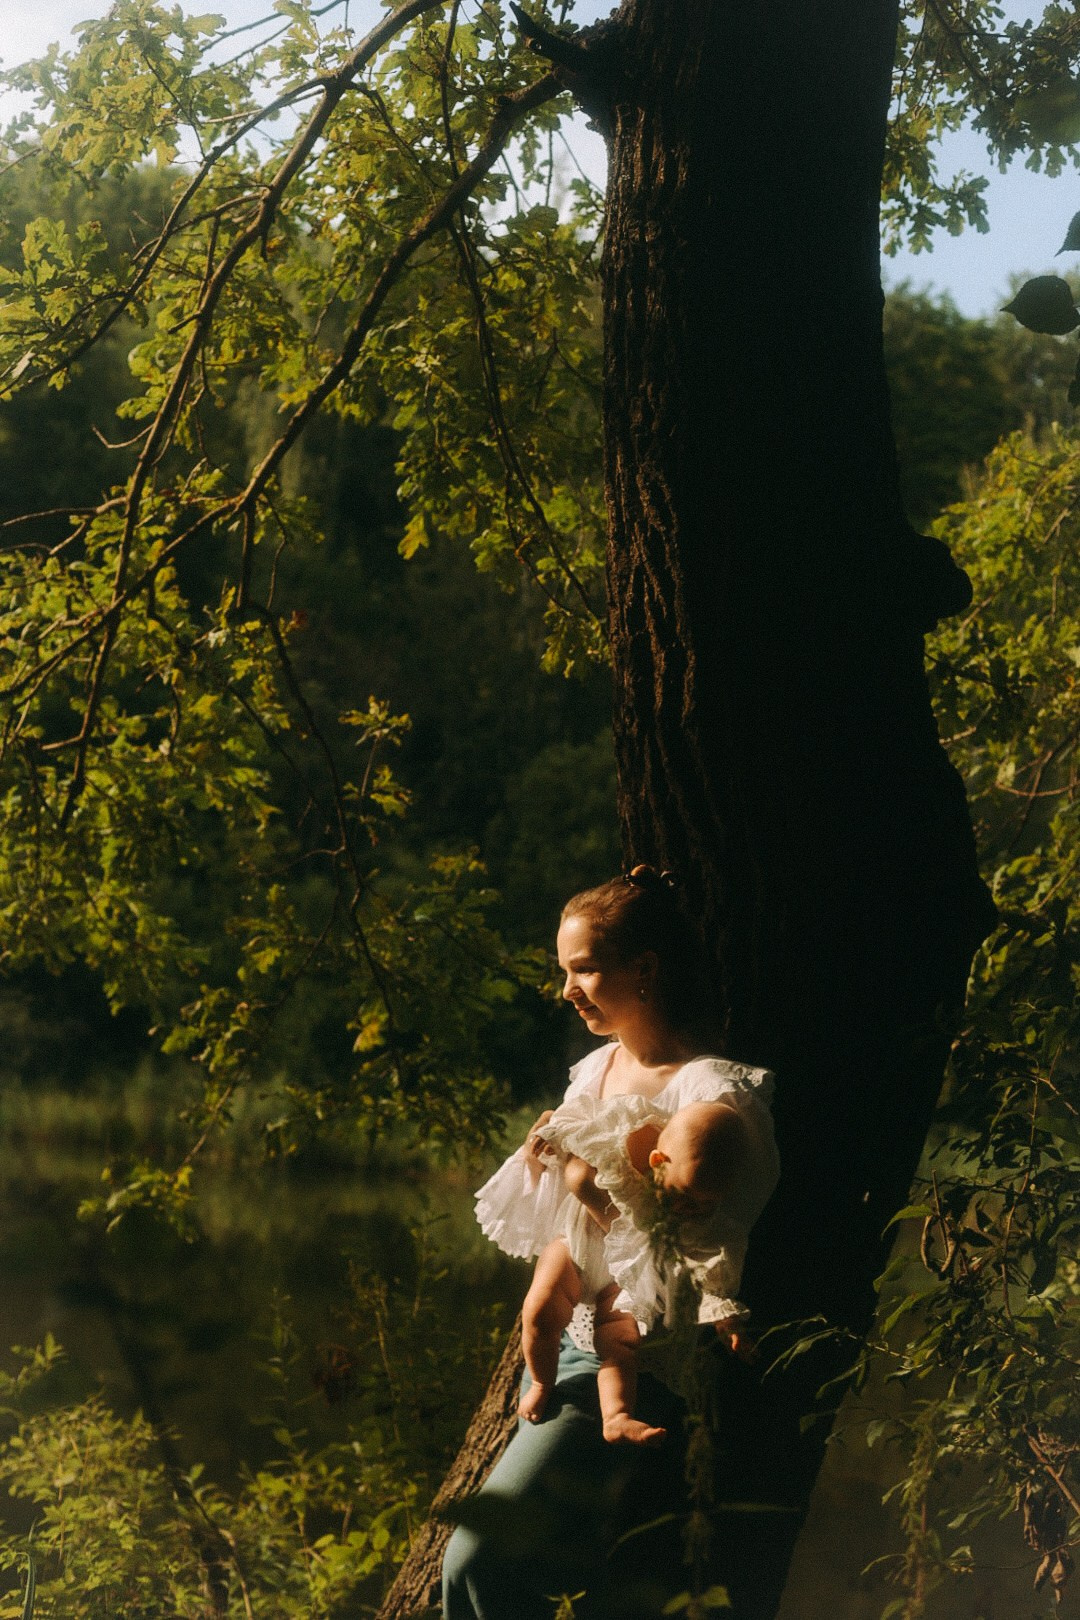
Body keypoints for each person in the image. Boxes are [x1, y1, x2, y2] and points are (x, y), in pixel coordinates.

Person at [442, 866, 780, 1620]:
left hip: (637, 1346)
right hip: (574, 1332)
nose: (567, 990)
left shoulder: (709, 1098)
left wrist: (588, 1187)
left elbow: (687, 1240)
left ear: (645, 970)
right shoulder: (596, 1070)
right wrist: (550, 1155)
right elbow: (561, 1189)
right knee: (532, 1574)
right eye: (564, 972)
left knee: (478, 1563)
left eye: (584, 970)